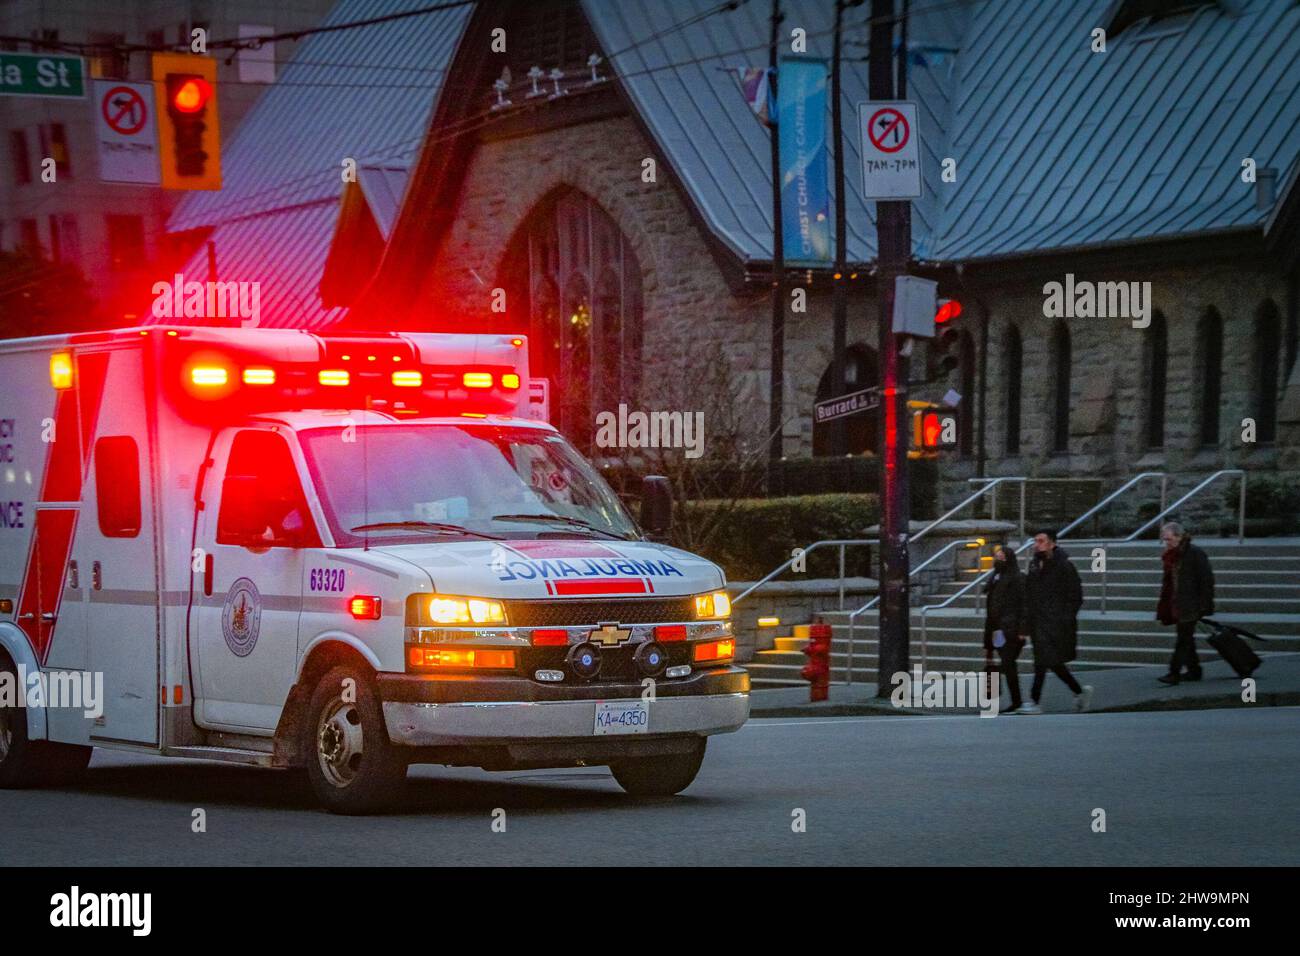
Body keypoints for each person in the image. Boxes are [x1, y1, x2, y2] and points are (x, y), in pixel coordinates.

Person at [1019, 528, 1092, 714]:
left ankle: (1035, 701)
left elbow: (1075, 595)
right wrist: (1025, 624)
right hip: (1038, 622)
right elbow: (1028, 595)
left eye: (1041, 541)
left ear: (1052, 543)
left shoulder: (1064, 566)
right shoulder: (1035, 565)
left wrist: (1064, 618)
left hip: (1055, 623)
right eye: (1035, 541)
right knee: (1048, 662)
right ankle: (1079, 691)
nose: (1037, 544)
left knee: (1044, 661)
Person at [1155, 521, 1216, 685]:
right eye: (1164, 539)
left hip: (1190, 604)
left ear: (1179, 537)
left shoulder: (1194, 553)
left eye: (1168, 539)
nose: (1166, 542)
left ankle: (1174, 672)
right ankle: (1194, 670)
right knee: (1186, 639)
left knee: (1183, 639)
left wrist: (1204, 605)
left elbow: (1206, 580)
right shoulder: (1174, 555)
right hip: (1179, 603)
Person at [983, 543, 1027, 713]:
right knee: (1003, 661)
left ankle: (1016, 700)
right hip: (997, 629)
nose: (997, 559)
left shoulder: (1017, 578)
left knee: (1008, 662)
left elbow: (1024, 604)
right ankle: (1002, 697)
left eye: (1001, 557)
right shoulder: (995, 577)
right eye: (997, 557)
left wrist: (1023, 630)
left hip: (1011, 628)